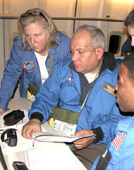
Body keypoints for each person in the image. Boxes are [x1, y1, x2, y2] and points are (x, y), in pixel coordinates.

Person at [22, 24, 125, 169]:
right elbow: (46, 96)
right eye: (71, 51)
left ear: (98, 52)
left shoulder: (119, 78)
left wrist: (95, 134)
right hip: (59, 135)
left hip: (95, 144)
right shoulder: (65, 68)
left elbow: (121, 122)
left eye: (80, 52)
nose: (73, 57)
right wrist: (36, 118)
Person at [0, 8, 71, 116]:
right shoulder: (20, 46)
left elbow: (71, 80)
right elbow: (11, 75)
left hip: (58, 97)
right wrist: (1, 105)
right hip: (31, 96)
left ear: (49, 31)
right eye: (28, 36)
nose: (32, 42)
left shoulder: (64, 45)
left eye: (37, 35)